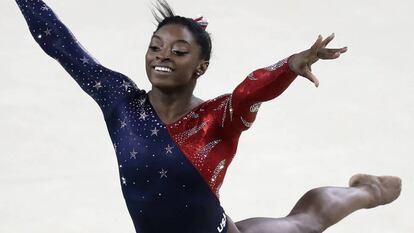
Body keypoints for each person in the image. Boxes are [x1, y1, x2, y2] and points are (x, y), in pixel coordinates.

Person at [15, 0, 402, 233]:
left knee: (306, 223)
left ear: (201, 67)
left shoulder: (217, 118)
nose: (162, 56)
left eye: (179, 51)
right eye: (156, 47)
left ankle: (370, 190)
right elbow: (60, 44)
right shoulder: (121, 104)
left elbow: (252, 90)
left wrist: (290, 65)